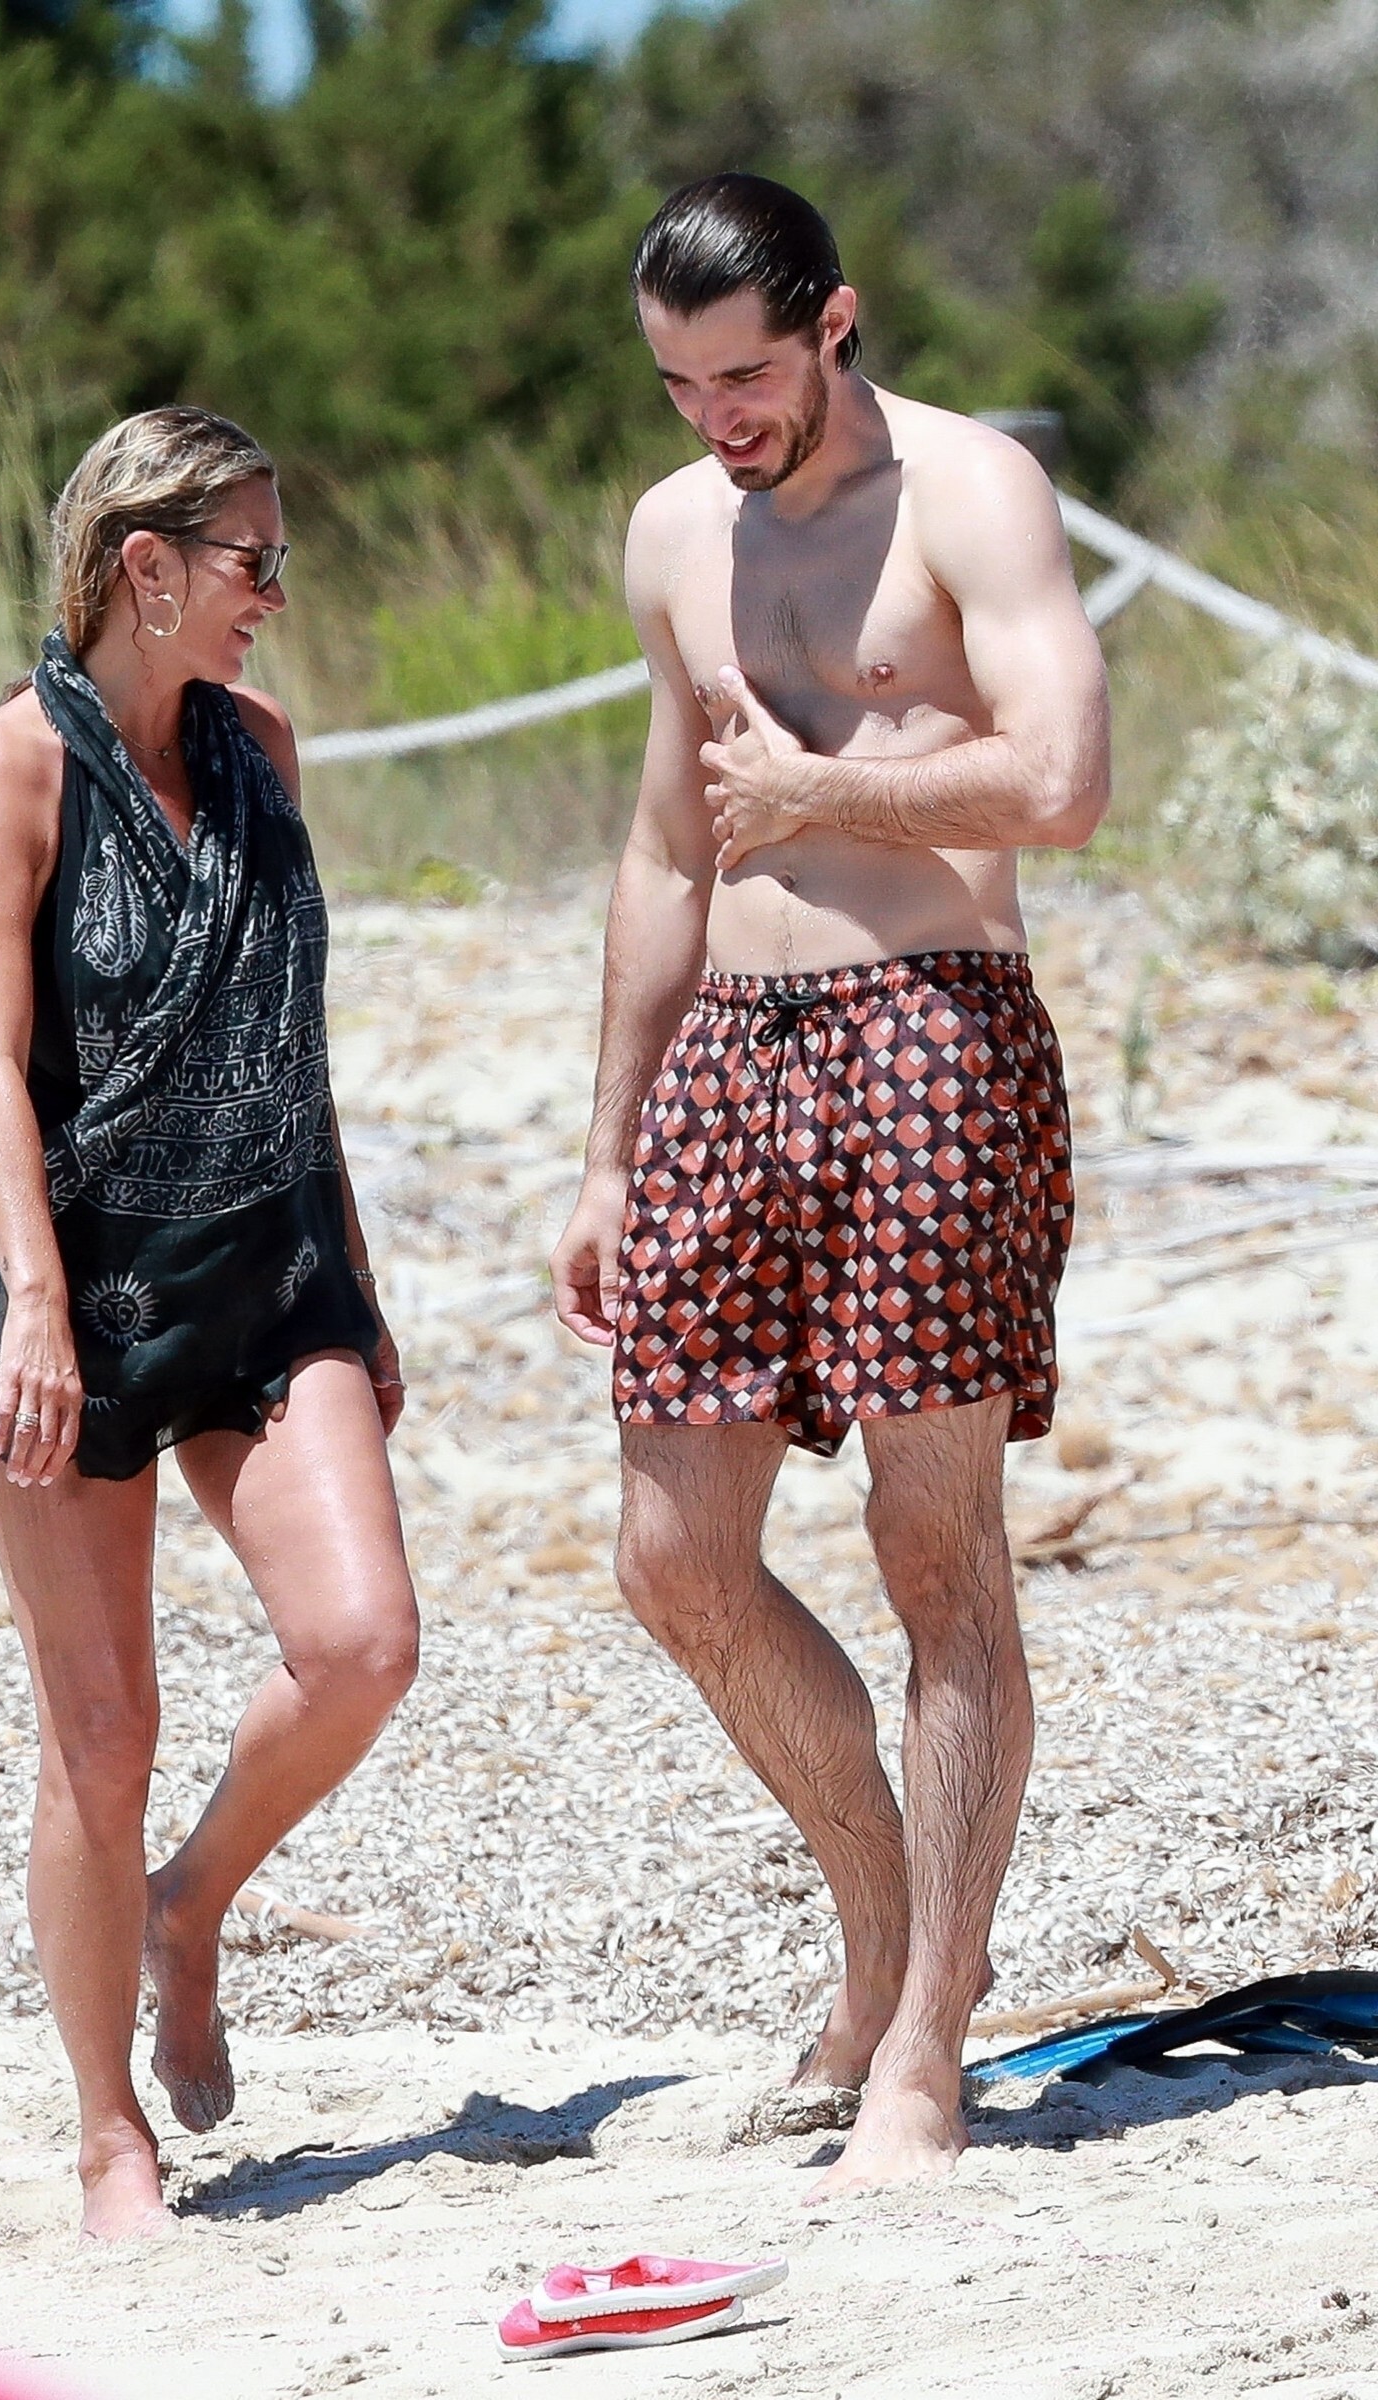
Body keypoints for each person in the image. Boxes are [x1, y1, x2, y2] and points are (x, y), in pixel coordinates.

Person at [550, 174, 1108, 2195]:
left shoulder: (969, 494)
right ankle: (882, 1925)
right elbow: (660, 846)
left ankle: (925, 2048)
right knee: (671, 1554)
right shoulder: (670, 533)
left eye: (748, 375)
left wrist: (828, 790)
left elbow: (1061, 778)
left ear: (834, 323)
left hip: (930, 1030)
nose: (719, 416)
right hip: (728, 1051)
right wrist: (609, 1148)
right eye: (681, 384)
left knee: (934, 1551)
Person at [0, 407, 418, 2241]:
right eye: (251, 561)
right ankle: (106, 2132)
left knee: (362, 1645)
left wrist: (355, 1272)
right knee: (101, 1730)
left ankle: (188, 1903)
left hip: (270, 1268)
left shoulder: (263, 748)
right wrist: (38, 1307)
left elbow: (293, 1038)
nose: (274, 593)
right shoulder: (12, 768)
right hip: (73, 1292)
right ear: (146, 566)